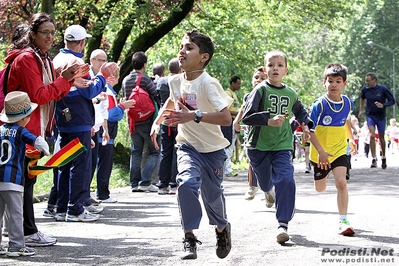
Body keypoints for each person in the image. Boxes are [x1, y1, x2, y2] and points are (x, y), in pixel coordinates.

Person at [5, 13, 87, 247]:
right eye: (45, 32)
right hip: (23, 127)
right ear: (33, 34)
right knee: (23, 181)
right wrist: (65, 81)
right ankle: (26, 233)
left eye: (53, 33)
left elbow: (51, 93)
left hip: (34, 126)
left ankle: (21, 231)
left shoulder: (42, 58)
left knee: (25, 181)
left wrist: (67, 79)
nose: (50, 37)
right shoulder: (27, 59)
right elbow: (39, 96)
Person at [150, 29, 232, 260]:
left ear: (204, 56)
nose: (182, 51)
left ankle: (221, 228)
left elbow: (226, 118)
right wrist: (157, 122)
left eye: (189, 47)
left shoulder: (209, 83)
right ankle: (189, 237)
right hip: (187, 145)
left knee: (212, 196)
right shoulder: (175, 80)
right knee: (185, 184)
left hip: (213, 150)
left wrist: (193, 116)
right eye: (182, 46)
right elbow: (171, 100)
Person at [241, 50, 313, 244]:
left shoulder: (291, 93)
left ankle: (283, 224)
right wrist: (268, 120)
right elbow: (247, 117)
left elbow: (300, 112)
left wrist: (307, 124)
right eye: (271, 65)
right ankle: (268, 192)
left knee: (286, 179)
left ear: (286, 70)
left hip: (282, 145)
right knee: (265, 184)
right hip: (258, 147)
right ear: (266, 69)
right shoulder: (260, 91)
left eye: (280, 65)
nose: (275, 68)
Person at [52, 25, 117, 222]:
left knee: (65, 163)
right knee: (80, 164)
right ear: (82, 43)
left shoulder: (56, 59)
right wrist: (102, 76)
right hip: (79, 117)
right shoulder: (77, 61)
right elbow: (90, 91)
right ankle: (75, 209)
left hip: (62, 117)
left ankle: (61, 207)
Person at [0, 92, 50, 256]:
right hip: (13, 180)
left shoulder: (0, 130)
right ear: (24, 117)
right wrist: (45, 150)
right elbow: (37, 141)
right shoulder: (21, 131)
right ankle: (16, 245)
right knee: (16, 214)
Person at [309, 63, 356, 236]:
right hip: (320, 152)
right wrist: (321, 152)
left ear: (344, 83)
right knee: (320, 189)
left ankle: (343, 220)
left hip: (339, 150)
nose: (334, 85)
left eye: (338, 81)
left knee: (341, 182)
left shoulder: (347, 103)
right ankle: (325, 172)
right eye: (330, 81)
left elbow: (345, 121)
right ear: (324, 82)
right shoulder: (319, 105)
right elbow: (310, 131)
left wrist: (351, 140)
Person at [122, 51, 159, 193]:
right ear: (144, 65)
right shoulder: (144, 79)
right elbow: (155, 94)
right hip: (146, 121)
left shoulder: (125, 80)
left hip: (132, 120)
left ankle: (134, 183)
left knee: (136, 151)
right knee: (155, 150)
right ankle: (145, 181)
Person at [96, 66, 135, 202]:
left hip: (102, 132)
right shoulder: (108, 92)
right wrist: (123, 107)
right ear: (113, 77)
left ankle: (99, 193)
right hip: (105, 133)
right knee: (104, 164)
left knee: (100, 163)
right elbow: (111, 114)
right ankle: (102, 194)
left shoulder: (106, 90)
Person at [232, 67, 271, 202]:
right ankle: (252, 185)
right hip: (251, 133)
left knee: (267, 163)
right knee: (252, 160)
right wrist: (236, 121)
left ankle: (268, 190)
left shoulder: (269, 95)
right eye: (256, 78)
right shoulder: (248, 96)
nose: (258, 80)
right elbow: (243, 109)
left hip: (267, 134)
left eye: (262, 78)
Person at [155, 58, 182, 195]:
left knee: (165, 152)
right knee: (176, 151)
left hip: (165, 120)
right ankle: (174, 183)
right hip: (177, 120)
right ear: (180, 69)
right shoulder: (180, 80)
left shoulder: (161, 81)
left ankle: (162, 184)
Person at [358, 72, 395, 169]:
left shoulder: (382, 89)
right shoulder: (365, 90)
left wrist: (383, 105)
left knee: (381, 138)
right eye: (366, 81)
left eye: (369, 81)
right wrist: (361, 110)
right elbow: (362, 98)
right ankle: (374, 158)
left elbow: (392, 100)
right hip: (370, 115)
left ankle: (383, 157)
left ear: (374, 80)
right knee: (372, 136)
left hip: (381, 116)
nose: (367, 83)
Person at [223, 76, 241, 177]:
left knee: (232, 145)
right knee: (228, 145)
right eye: (238, 83)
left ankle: (228, 168)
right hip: (228, 122)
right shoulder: (227, 94)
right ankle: (226, 170)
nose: (239, 86)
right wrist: (237, 113)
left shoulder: (234, 94)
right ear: (232, 83)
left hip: (234, 121)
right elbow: (225, 109)